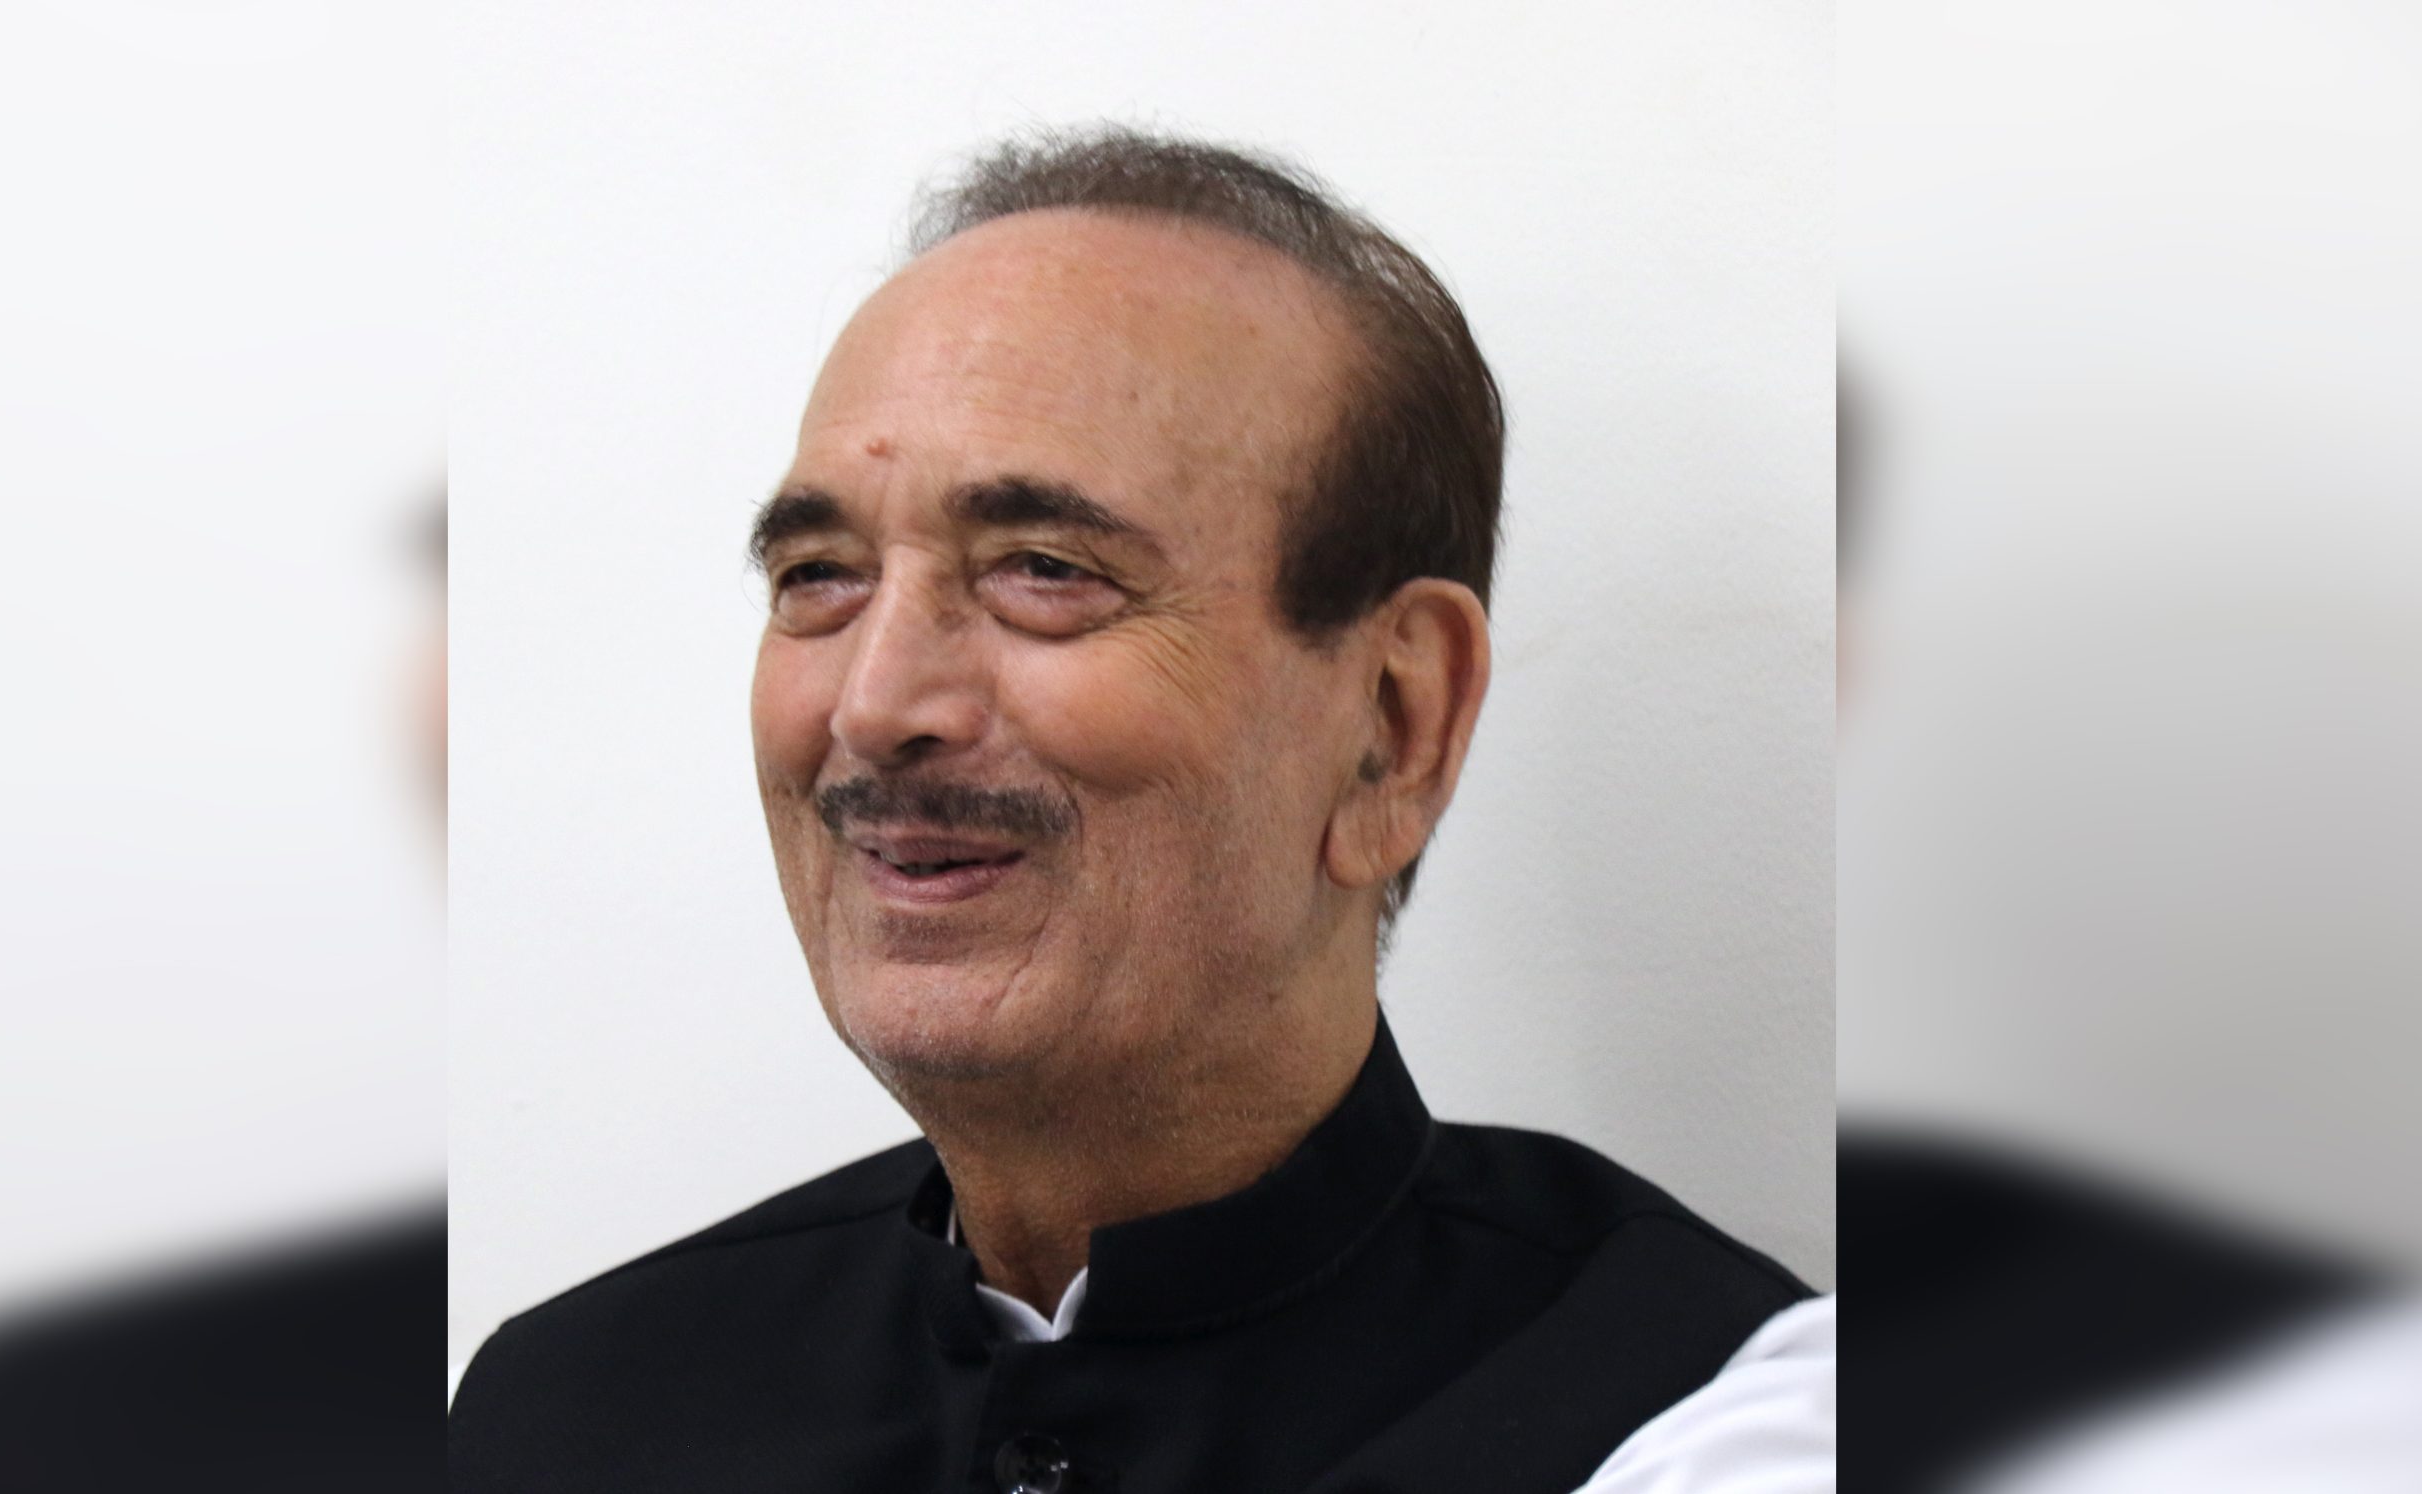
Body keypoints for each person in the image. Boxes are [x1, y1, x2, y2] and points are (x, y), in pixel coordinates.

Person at [448, 126, 1832, 1493]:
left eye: (1045, 569)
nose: (874, 704)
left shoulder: (1713, 1417)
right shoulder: (565, 1414)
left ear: (1392, 729)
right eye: (820, 575)